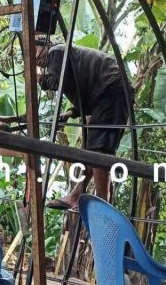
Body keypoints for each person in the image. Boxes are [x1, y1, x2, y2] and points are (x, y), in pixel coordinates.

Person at [35, 38, 133, 210]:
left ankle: (103, 201)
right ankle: (77, 193)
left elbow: (57, 82)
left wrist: (39, 79)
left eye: (36, 53)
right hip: (107, 92)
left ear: (46, 45)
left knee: (99, 148)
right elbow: (84, 97)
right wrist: (69, 113)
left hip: (111, 89)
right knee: (90, 148)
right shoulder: (65, 57)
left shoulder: (56, 52)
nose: (36, 59)